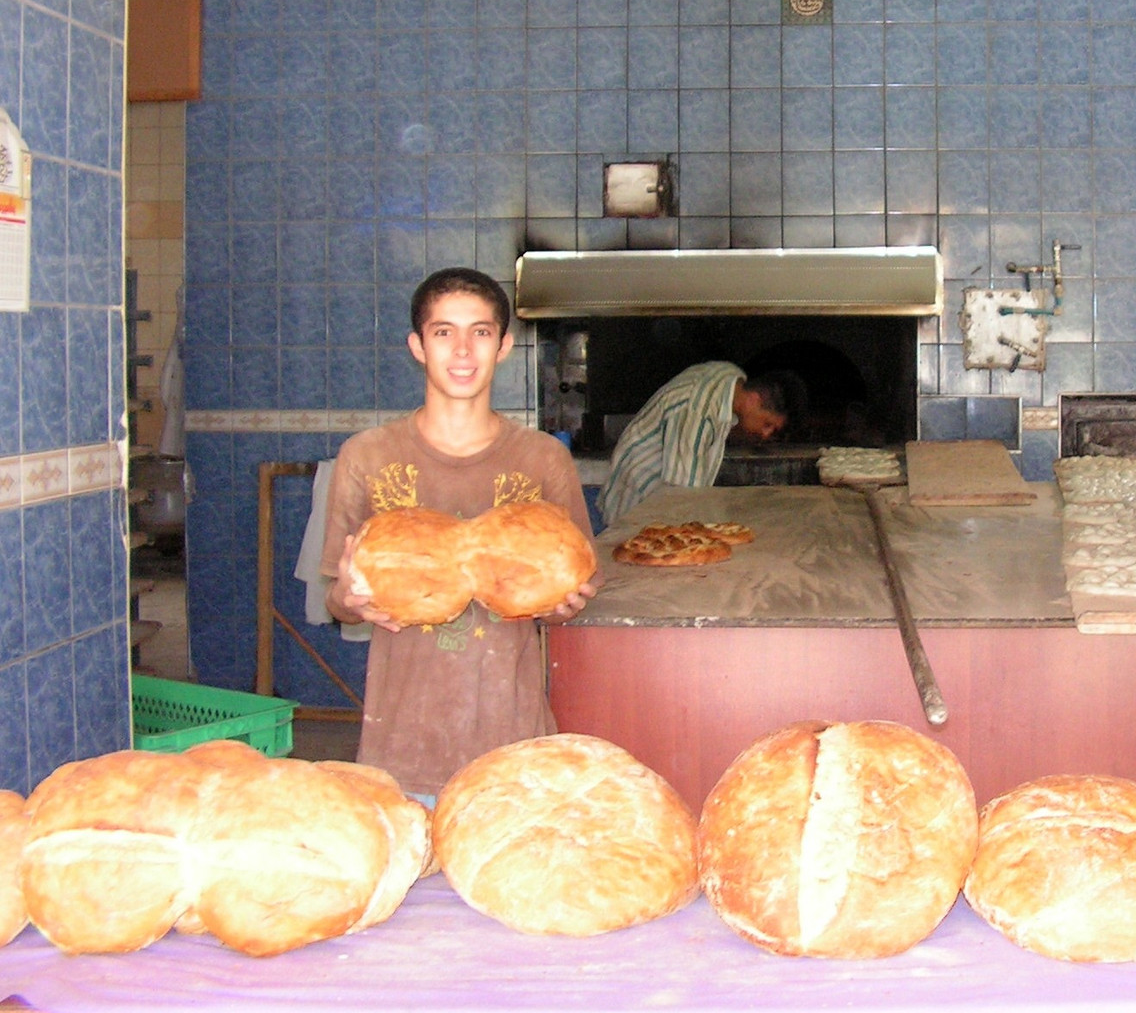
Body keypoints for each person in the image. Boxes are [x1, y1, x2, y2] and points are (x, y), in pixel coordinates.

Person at [322, 267, 598, 802]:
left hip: (511, 737)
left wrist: (564, 603)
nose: (463, 350)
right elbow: (338, 599)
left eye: (481, 332)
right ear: (418, 346)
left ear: (504, 346)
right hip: (402, 743)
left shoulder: (543, 459)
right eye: (444, 332)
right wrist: (348, 598)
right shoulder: (367, 455)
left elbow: (575, 586)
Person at [595, 361, 804, 526]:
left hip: (659, 506)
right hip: (633, 509)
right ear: (753, 400)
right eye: (768, 424)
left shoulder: (732, 377)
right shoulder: (697, 413)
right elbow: (683, 498)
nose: (766, 434)